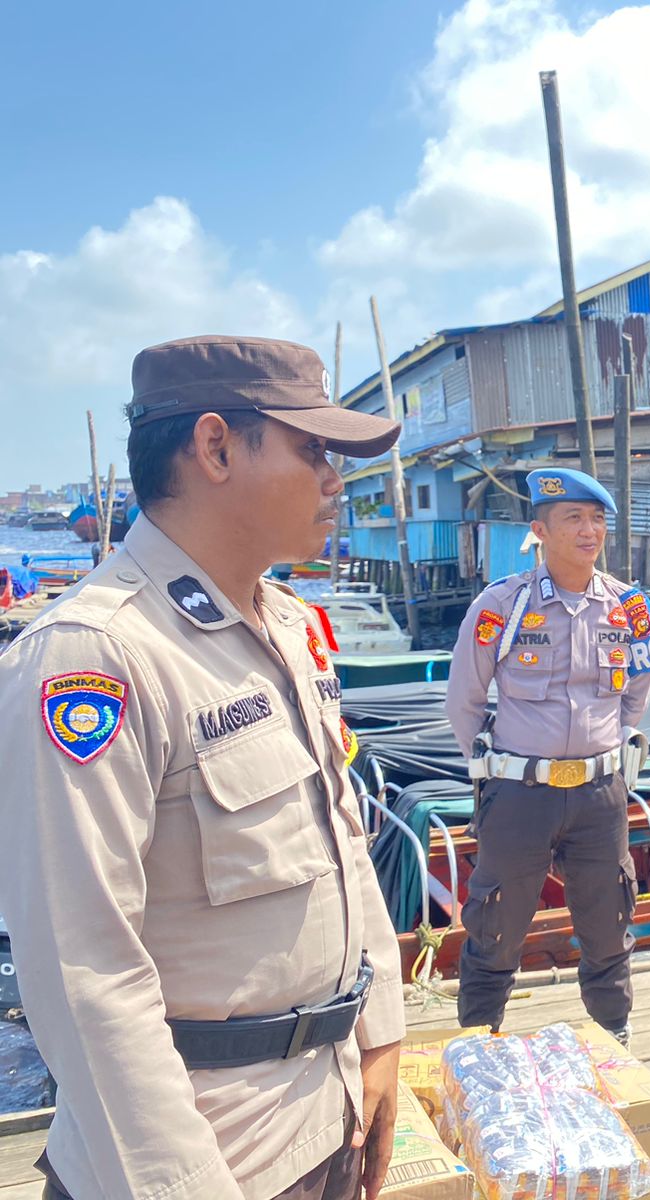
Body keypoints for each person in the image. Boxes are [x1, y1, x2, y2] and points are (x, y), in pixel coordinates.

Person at [0, 336, 408, 1200]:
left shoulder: (291, 628)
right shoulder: (97, 656)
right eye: (313, 450)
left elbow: (341, 834)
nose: (336, 479)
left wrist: (380, 1034)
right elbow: (83, 972)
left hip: (323, 1119)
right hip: (207, 1160)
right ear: (217, 447)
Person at [445, 468, 650, 1043]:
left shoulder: (629, 608)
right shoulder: (503, 605)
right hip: (521, 794)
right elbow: (464, 698)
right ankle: (477, 1046)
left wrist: (604, 748)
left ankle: (614, 1040)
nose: (589, 531)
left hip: (599, 795)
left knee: (610, 921)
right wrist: (493, 769)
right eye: (573, 519)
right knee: (495, 925)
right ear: (540, 530)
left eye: (597, 519)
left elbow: (637, 690)